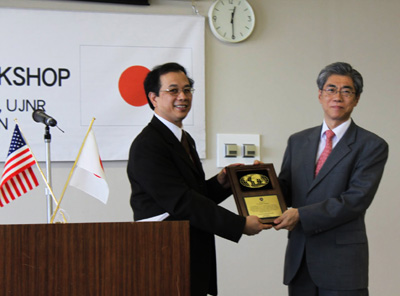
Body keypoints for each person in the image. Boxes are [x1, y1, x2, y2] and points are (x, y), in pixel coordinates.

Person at [127, 62, 271, 296]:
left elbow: (194, 194)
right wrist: (239, 224)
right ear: (153, 98)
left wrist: (224, 182)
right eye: (173, 90)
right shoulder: (148, 144)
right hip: (163, 256)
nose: (182, 97)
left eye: (187, 89)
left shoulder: (184, 139)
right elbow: (182, 202)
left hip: (190, 252)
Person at [274, 62, 388, 296]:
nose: (337, 96)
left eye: (346, 91)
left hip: (342, 265)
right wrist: (258, 183)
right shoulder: (297, 141)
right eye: (331, 89)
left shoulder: (372, 145)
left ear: (356, 99)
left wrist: (301, 215)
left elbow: (355, 200)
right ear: (320, 94)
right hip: (300, 260)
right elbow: (285, 189)